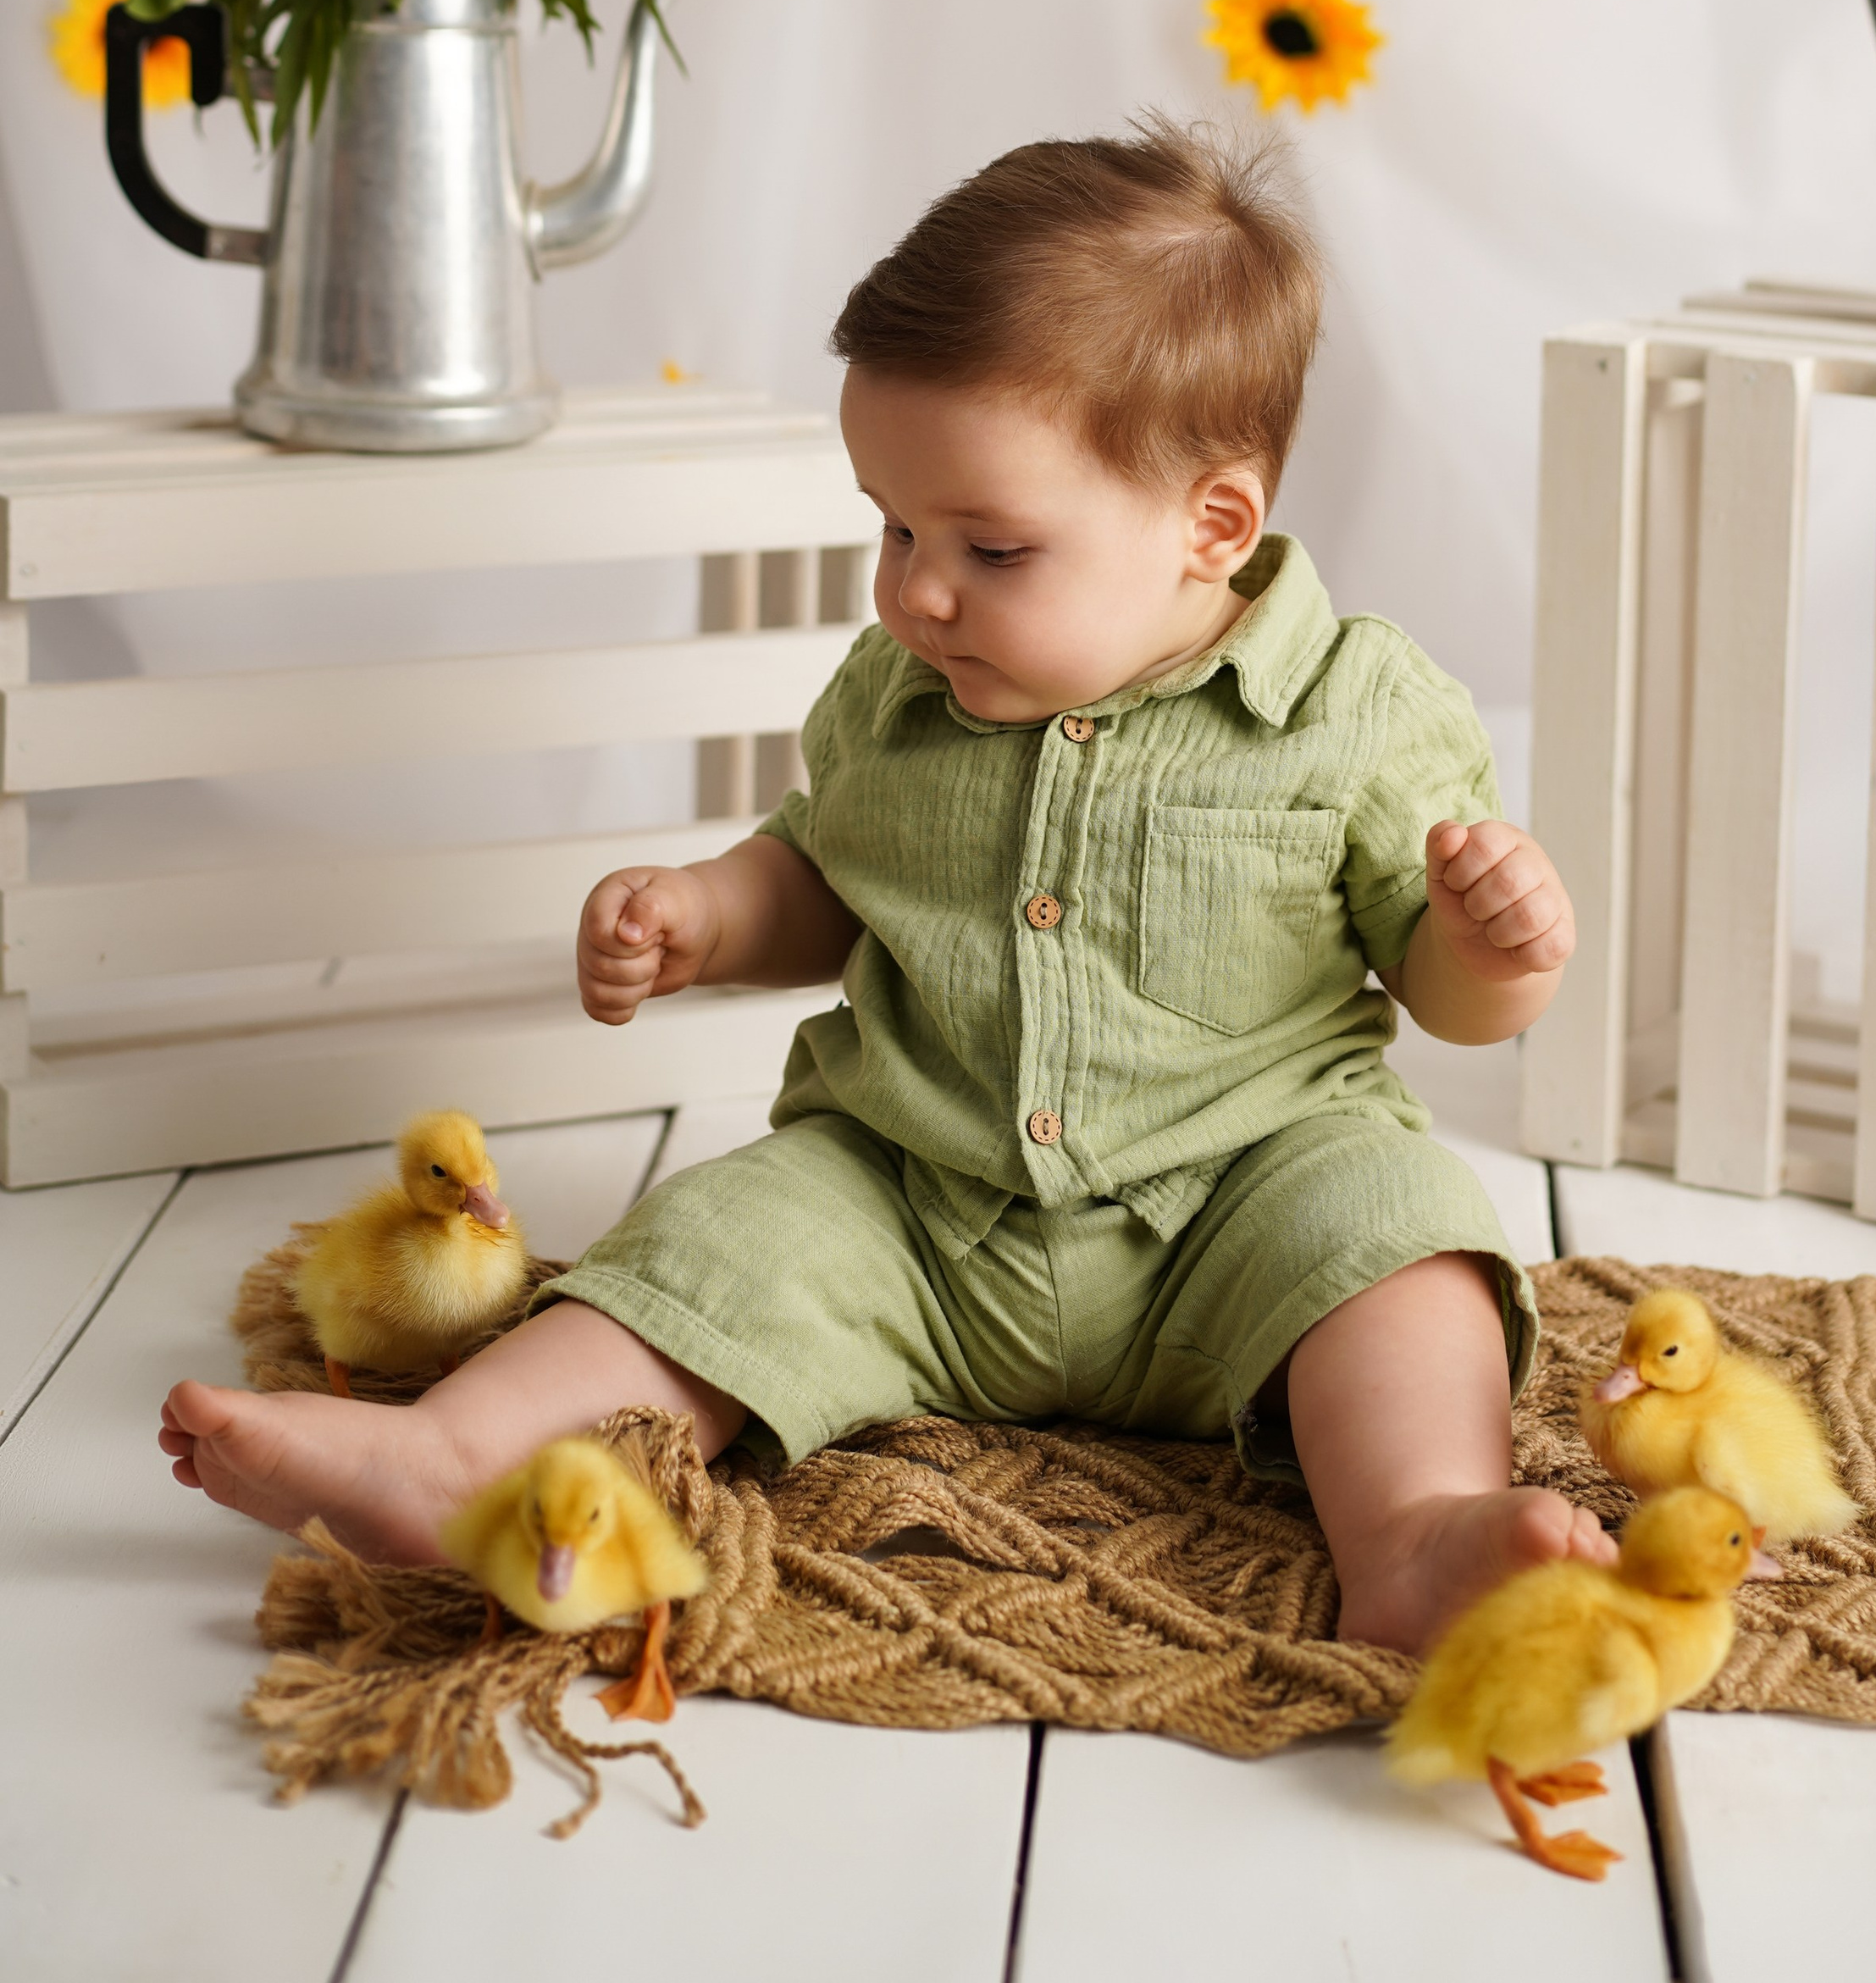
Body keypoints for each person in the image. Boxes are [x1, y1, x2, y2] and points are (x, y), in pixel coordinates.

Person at [161, 120, 1611, 1652]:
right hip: (919, 1208)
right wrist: (710, 914)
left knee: (1402, 1232)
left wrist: (1492, 945)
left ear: (1213, 526)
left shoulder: (1356, 708)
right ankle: (454, 1458)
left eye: (990, 546)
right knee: (726, 1236)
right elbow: (829, 876)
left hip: (1239, 1215)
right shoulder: (900, 689)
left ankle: (1411, 1529)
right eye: (894, 526)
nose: (918, 589)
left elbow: (1449, 1001)